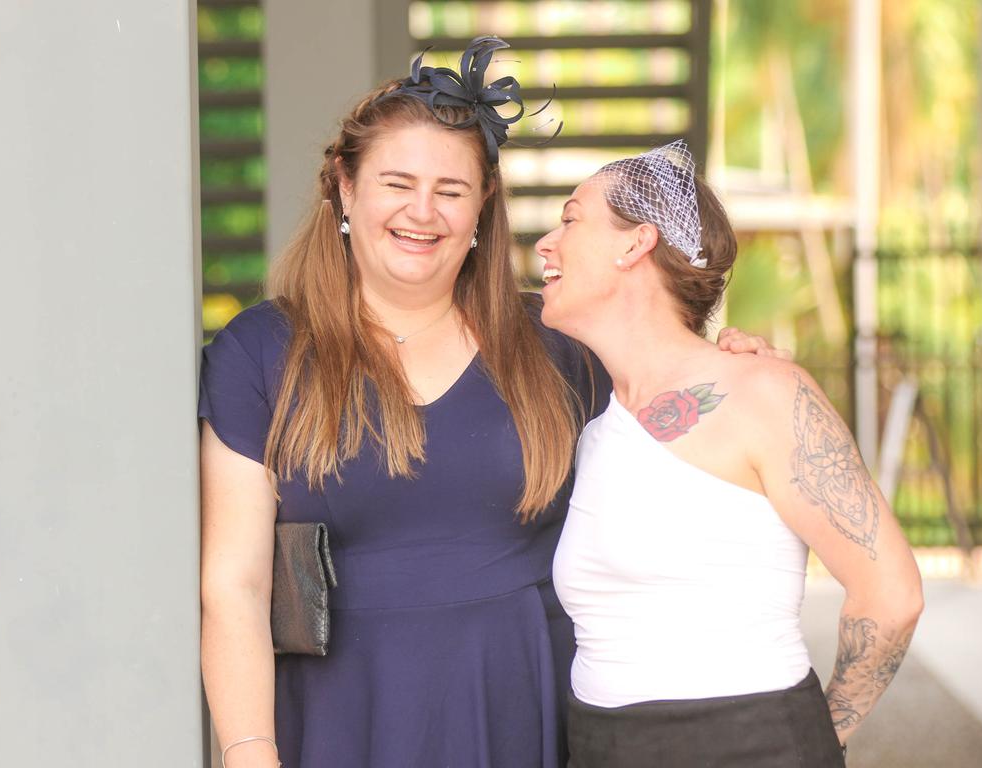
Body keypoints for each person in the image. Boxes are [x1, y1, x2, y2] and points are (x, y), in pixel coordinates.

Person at [199, 39, 775, 768]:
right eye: (396, 183)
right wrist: (250, 753)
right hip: (338, 712)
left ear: (482, 209)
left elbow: (684, 403)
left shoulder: (560, 342)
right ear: (344, 189)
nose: (423, 212)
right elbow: (234, 584)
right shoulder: (260, 351)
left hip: (525, 700)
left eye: (451, 190)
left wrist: (736, 367)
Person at [541, 141, 924, 768]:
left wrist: (817, 742)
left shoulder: (764, 392)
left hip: (744, 743)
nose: (545, 244)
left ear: (635, 243)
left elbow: (892, 594)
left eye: (571, 218)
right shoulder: (597, 422)